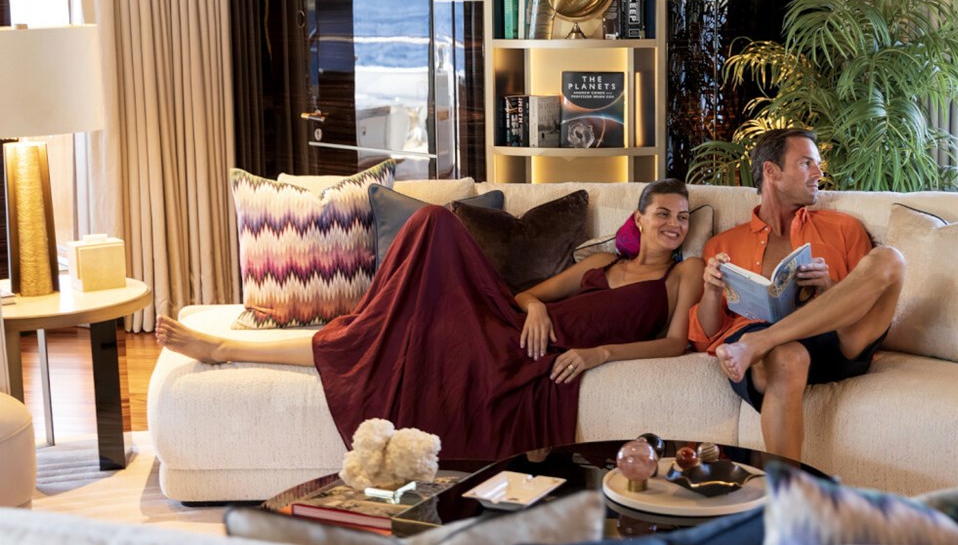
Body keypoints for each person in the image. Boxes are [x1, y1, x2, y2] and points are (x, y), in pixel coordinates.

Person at [156, 179, 704, 460]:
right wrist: (537, 307)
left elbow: (676, 343)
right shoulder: (601, 261)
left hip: (529, 358)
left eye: (682, 217)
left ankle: (225, 349)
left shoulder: (684, 272)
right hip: (511, 325)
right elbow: (525, 296)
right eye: (662, 213)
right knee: (433, 222)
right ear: (639, 218)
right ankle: (232, 346)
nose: (674, 224)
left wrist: (598, 354)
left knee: (377, 340)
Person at [689, 129, 904, 461]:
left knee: (891, 259)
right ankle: (785, 487)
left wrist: (829, 286)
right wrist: (711, 289)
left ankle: (761, 343)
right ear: (771, 172)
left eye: (817, 164)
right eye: (806, 164)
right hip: (769, 350)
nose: (819, 173)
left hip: (836, 339)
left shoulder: (843, 228)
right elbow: (705, 336)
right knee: (786, 357)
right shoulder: (724, 244)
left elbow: (866, 299)